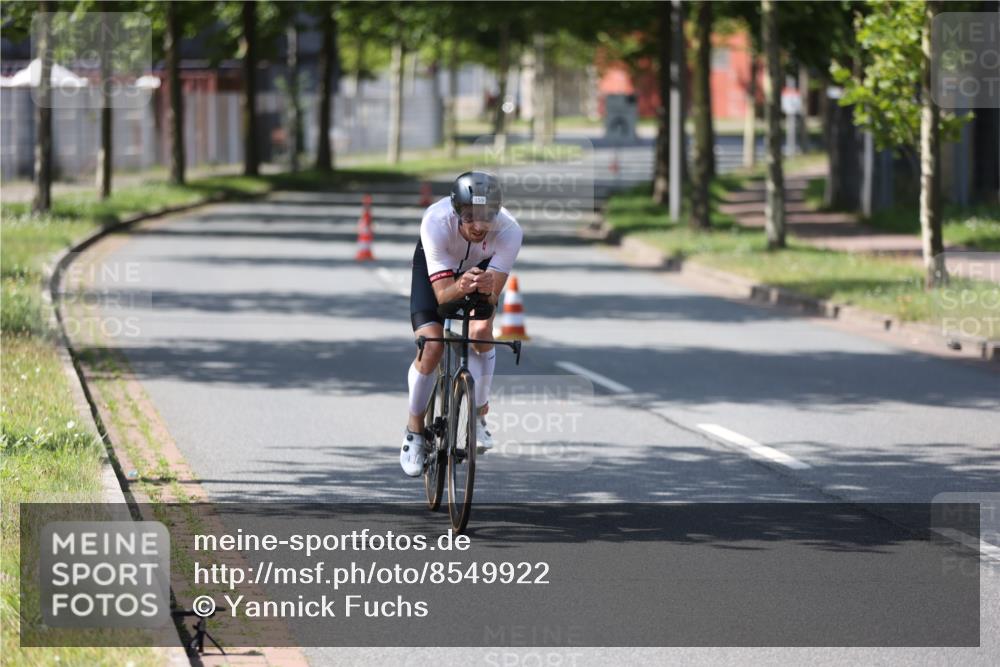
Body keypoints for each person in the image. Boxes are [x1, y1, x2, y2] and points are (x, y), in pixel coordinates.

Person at [400, 171, 523, 477]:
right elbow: (442, 296)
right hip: (438, 269)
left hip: (481, 267)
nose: (479, 226)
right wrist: (461, 285)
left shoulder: (509, 231)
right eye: (470, 217)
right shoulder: (436, 221)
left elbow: (493, 299)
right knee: (432, 345)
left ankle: (479, 415)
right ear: (456, 212)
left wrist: (486, 288)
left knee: (482, 333)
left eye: (487, 217)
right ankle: (414, 431)